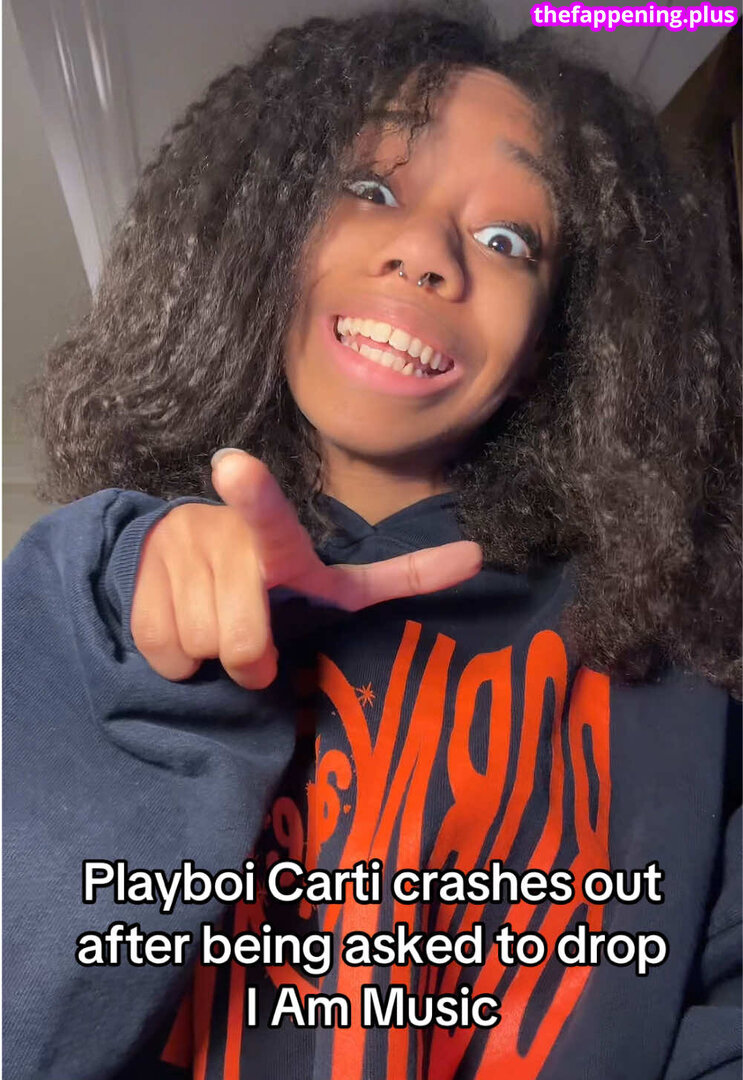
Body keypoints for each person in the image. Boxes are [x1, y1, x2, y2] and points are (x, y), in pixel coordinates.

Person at [4, 3, 740, 1079]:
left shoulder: (677, 669)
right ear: (272, 240)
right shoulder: (88, 594)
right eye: (372, 187)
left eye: (507, 241)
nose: (426, 253)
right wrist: (123, 627)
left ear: (549, 350)